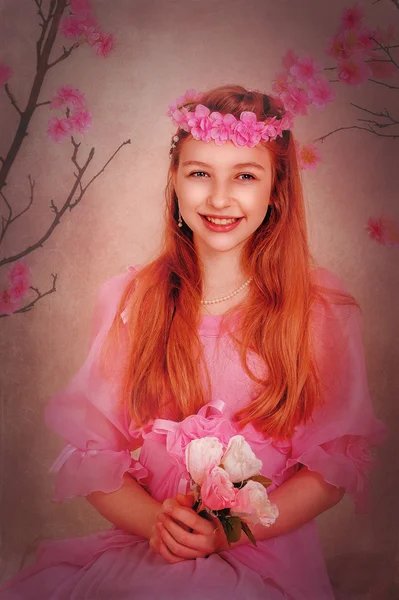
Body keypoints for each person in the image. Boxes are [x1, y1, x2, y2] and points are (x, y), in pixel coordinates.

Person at [0, 84, 387, 599]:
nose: (220, 198)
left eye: (245, 176)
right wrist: (159, 522)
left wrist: (223, 535)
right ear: (176, 181)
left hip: (266, 557)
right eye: (200, 173)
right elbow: (94, 456)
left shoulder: (318, 311)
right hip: (158, 544)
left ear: (276, 189)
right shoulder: (132, 302)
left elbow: (332, 468)